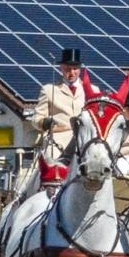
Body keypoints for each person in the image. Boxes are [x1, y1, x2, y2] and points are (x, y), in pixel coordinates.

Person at [26, 47, 86, 186]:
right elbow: (36, 118)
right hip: (59, 140)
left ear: (80, 69)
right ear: (61, 68)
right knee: (47, 169)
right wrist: (44, 122)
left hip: (83, 140)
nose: (71, 73)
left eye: (75, 69)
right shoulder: (49, 90)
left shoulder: (90, 90)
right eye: (68, 69)